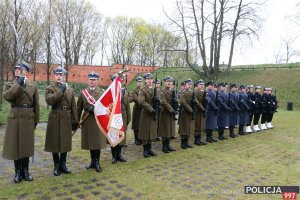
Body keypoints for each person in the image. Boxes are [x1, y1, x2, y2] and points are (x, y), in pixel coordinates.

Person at [2, 62, 39, 183]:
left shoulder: (33, 85)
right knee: (15, 146)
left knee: (26, 146)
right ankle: (17, 172)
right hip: (15, 118)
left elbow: (36, 105)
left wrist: (36, 120)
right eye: (16, 68)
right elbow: (7, 97)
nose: (17, 70)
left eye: (20, 68)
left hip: (28, 117)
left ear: (26, 71)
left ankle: (26, 171)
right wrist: (17, 84)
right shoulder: (10, 84)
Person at [44, 66, 78, 176]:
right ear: (54, 76)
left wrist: (75, 121)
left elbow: (73, 106)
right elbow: (50, 100)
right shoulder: (50, 88)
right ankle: (56, 165)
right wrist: (61, 90)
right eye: (57, 74)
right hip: (54, 117)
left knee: (65, 141)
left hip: (66, 117)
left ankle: (63, 164)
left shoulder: (70, 89)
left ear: (64, 76)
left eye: (61, 74)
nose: (59, 76)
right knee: (54, 142)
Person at [77, 72, 106, 172]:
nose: (92, 81)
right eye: (90, 79)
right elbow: (78, 108)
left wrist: (96, 109)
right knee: (90, 142)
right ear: (88, 80)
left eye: (94, 80)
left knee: (97, 142)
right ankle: (92, 161)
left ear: (97, 81)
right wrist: (76, 121)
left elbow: (105, 108)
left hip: (97, 120)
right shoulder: (83, 92)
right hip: (87, 119)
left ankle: (97, 162)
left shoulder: (102, 93)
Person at [138, 72, 160, 157]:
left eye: (151, 79)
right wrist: (151, 109)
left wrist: (158, 100)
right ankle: (145, 150)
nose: (150, 81)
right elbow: (141, 101)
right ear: (145, 80)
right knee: (145, 132)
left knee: (152, 131)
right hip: (146, 114)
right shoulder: (142, 90)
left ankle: (150, 148)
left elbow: (160, 99)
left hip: (154, 113)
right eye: (148, 79)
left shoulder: (156, 90)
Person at [110, 74, 130, 163]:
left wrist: (128, 117)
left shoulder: (124, 91)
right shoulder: (110, 91)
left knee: (121, 135)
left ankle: (119, 155)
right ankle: (114, 156)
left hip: (123, 115)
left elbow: (128, 105)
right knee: (114, 136)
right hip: (114, 116)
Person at [158, 76, 177, 153]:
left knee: (170, 129)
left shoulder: (172, 91)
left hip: (170, 113)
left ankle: (168, 145)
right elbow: (164, 102)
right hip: (165, 112)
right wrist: (172, 110)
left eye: (170, 81)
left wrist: (176, 102)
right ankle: (164, 146)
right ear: (165, 82)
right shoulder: (162, 92)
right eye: (167, 81)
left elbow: (175, 101)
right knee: (165, 130)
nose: (169, 83)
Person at [178, 79, 195, 149]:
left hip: (189, 113)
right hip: (184, 112)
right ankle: (183, 143)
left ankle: (186, 142)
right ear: (185, 85)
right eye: (188, 84)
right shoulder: (183, 92)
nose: (190, 86)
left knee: (188, 128)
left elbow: (194, 99)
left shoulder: (191, 92)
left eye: (191, 84)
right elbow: (183, 102)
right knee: (184, 128)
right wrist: (191, 109)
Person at [130, 76, 143, 145]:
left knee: (141, 124)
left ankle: (141, 138)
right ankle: (136, 139)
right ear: (136, 83)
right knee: (136, 125)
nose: (140, 83)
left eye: (141, 82)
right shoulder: (134, 90)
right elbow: (136, 99)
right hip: (137, 109)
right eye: (139, 82)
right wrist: (143, 102)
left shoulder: (143, 89)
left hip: (143, 109)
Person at [194, 80, 207, 145]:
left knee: (200, 125)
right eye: (200, 85)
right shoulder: (196, 92)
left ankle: (199, 139)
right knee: (197, 125)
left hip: (202, 110)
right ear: (197, 85)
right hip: (197, 111)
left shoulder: (203, 92)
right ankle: (196, 140)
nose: (202, 86)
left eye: (203, 85)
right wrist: (203, 108)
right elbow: (197, 102)